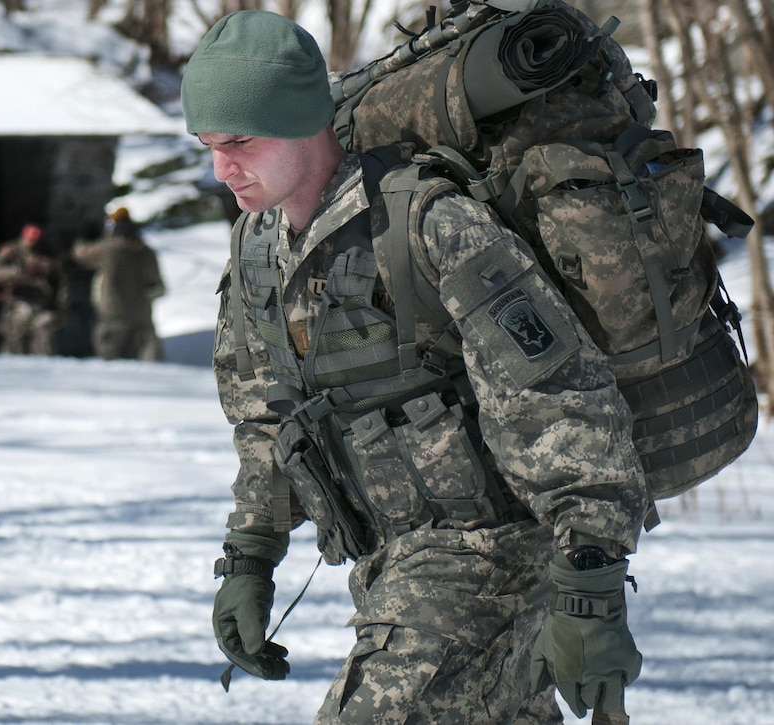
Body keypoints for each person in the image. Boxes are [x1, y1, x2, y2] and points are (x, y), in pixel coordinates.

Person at [181, 11, 651, 724]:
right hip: (389, 565)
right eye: (209, 146)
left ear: (303, 121)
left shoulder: (428, 222)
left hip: (494, 554)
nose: (222, 169)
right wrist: (250, 555)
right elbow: (265, 418)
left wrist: (589, 582)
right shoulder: (256, 247)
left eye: (240, 141)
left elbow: (558, 396)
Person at [72, 207, 166, 362]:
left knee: (112, 369)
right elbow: (158, 287)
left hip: (112, 315)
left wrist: (83, 236)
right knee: (146, 370)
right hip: (141, 317)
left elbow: (80, 255)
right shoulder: (146, 251)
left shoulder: (107, 249)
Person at [0, 223, 67, 356]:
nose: (32, 243)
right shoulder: (11, 251)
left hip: (42, 305)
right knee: (15, 340)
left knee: (44, 338)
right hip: (16, 303)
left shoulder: (48, 253)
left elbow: (61, 280)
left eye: (35, 240)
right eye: (29, 239)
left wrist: (60, 307)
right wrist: (15, 272)